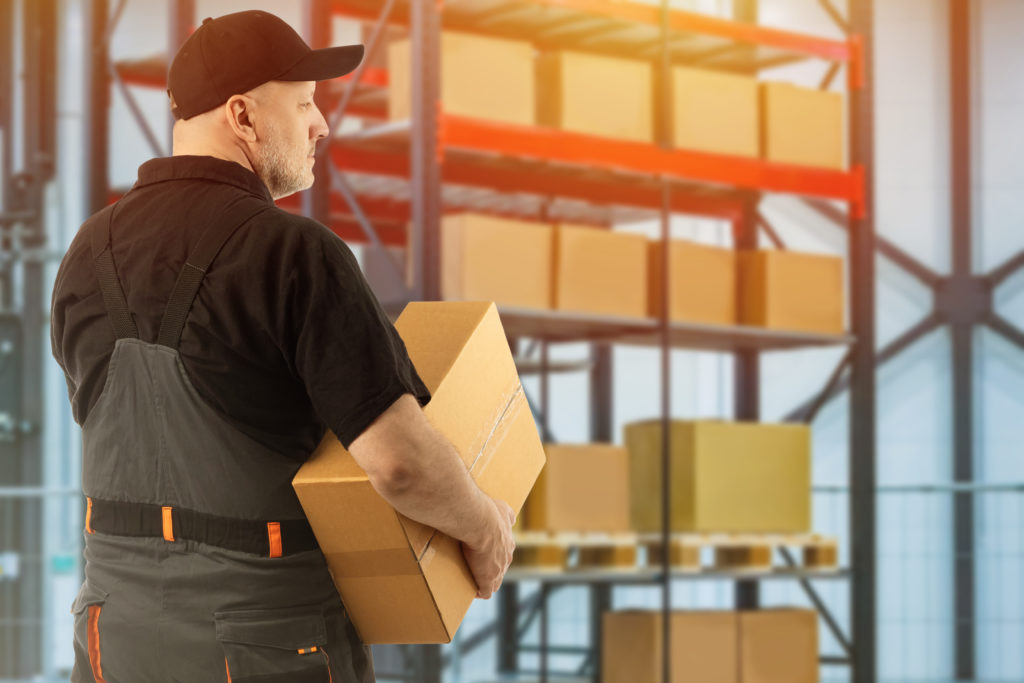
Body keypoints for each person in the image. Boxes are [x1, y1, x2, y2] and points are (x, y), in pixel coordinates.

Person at [50, 10, 514, 682]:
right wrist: (486, 526)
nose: (321, 124)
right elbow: (399, 465)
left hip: (114, 636)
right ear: (242, 115)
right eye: (303, 103)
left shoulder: (85, 252)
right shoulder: (296, 255)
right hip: (261, 643)